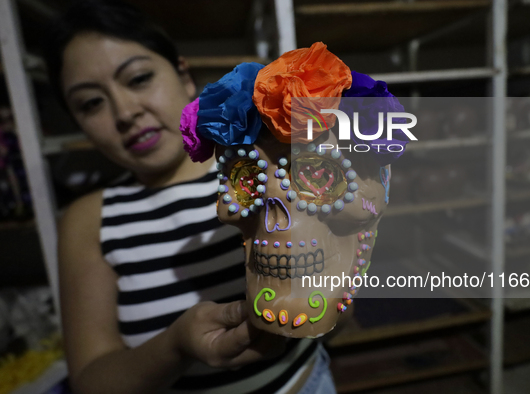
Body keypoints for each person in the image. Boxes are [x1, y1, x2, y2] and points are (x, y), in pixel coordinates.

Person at [44, 1, 336, 393]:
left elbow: (340, 309)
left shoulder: (263, 165)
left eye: (139, 78)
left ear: (183, 76)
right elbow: (91, 381)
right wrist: (176, 348)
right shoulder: (89, 220)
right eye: (91, 103)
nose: (125, 112)